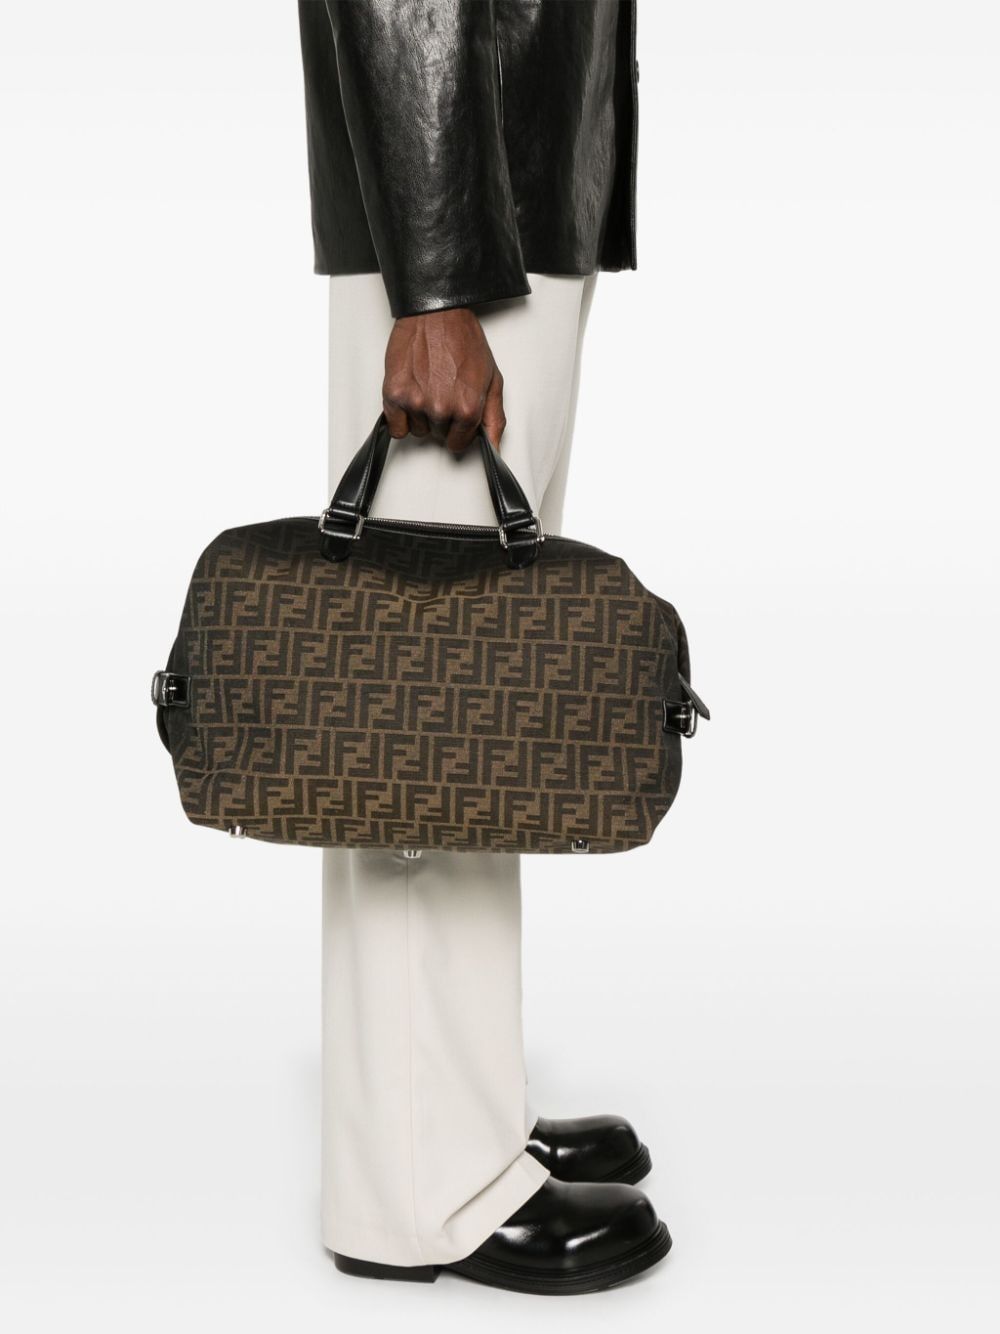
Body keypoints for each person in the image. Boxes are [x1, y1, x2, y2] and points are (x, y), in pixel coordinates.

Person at [297, 0, 669, 1294]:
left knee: (475, 712)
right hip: (459, 220)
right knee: (419, 726)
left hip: (505, 182)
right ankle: (423, 1192)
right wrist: (436, 279)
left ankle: (457, 1111)